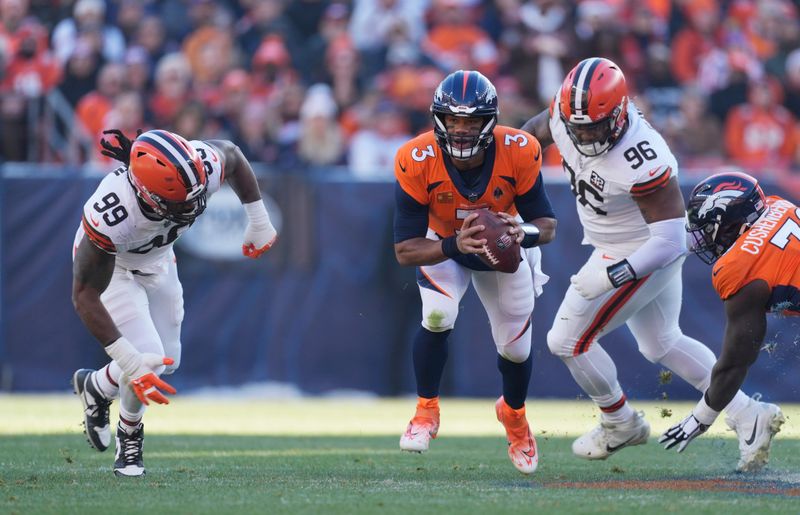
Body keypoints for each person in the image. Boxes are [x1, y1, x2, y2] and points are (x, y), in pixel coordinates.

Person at [519, 57, 774, 469]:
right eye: (576, 125)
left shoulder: (640, 154)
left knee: (565, 341)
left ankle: (619, 421)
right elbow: (531, 135)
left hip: (641, 251)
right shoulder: (569, 114)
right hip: (614, 242)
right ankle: (749, 415)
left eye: (593, 126)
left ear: (619, 113)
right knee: (661, 342)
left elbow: (672, 242)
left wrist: (612, 276)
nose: (582, 134)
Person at [71, 129, 278, 476]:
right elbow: (84, 296)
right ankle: (130, 438)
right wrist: (128, 360)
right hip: (115, 269)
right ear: (147, 194)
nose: (194, 204)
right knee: (147, 361)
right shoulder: (112, 213)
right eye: (180, 200)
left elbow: (233, 154)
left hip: (159, 259)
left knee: (169, 359)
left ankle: (98, 385)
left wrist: (259, 219)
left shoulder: (200, 166)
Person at [393, 70, 557, 474]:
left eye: (470, 121)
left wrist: (523, 232)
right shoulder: (416, 158)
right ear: (438, 120)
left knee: (515, 349)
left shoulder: (518, 149)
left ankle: (514, 417)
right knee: (436, 316)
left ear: (490, 121)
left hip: (503, 250)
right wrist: (452, 245)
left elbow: (548, 226)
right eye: (453, 120)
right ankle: (425, 412)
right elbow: (404, 250)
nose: (461, 130)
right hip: (445, 243)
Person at [660, 171, 787, 471]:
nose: (703, 238)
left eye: (709, 229)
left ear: (735, 222)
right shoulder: (777, 205)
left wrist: (701, 417)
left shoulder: (741, 265)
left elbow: (735, 363)